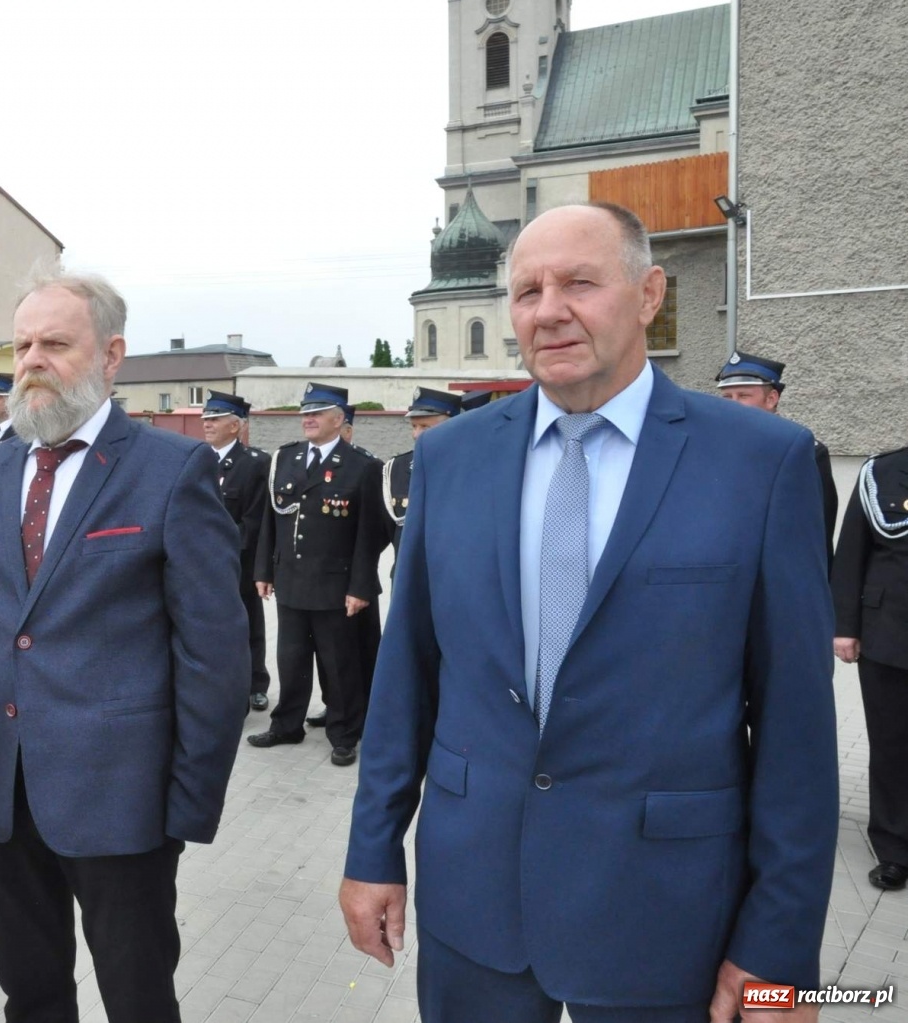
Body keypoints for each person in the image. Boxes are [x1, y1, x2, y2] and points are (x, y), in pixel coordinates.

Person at [340, 203, 838, 1022]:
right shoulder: (449, 457)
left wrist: (780, 949)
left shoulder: (759, 462)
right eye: (527, 290)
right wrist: (371, 851)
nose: (549, 310)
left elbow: (796, 728)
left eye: (579, 282)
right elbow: (408, 676)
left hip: (666, 911)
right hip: (476, 902)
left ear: (649, 294)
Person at [0, 271, 248, 1023]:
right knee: (30, 992)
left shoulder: (171, 471)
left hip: (122, 801)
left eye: (55, 343)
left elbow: (214, 656)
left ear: (111, 355)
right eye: (22, 344)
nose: (32, 360)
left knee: (137, 998)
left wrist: (187, 804)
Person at [249, 383, 389, 767]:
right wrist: (264, 569)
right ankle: (287, 725)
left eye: (317, 412)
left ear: (338, 418)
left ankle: (344, 733)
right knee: (290, 659)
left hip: (336, 586)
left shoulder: (363, 466)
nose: (307, 419)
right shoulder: (286, 459)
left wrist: (360, 586)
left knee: (338, 664)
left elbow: (369, 537)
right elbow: (270, 520)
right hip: (292, 579)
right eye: (304, 412)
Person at [832, 447, 908, 892]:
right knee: (892, 742)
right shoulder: (882, 472)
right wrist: (846, 627)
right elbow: (851, 553)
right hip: (890, 632)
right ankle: (895, 848)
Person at [716, 352, 839, 562]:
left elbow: (813, 535)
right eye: (727, 397)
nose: (733, 404)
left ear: (771, 399)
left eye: (743, 396)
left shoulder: (805, 451)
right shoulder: (711, 449)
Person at [203, 390, 272, 711]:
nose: (207, 425)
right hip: (201, 563)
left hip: (238, 561)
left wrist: (220, 551)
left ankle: (256, 682)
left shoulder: (254, 464)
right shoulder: (197, 460)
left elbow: (254, 520)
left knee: (248, 623)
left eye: (214, 419)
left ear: (235, 426)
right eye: (206, 419)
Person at [383, 388, 463, 565]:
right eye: (414, 426)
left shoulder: (470, 468)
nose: (416, 434)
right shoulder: (396, 468)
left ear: (453, 425)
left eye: (425, 426)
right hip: (407, 578)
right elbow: (387, 531)